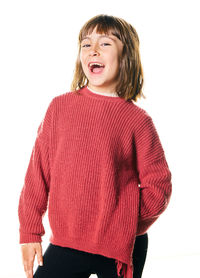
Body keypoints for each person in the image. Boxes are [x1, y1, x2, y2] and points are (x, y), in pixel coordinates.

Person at [18, 14, 172, 278]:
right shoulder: (60, 108)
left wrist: (125, 224)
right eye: (86, 44)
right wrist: (29, 232)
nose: (93, 50)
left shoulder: (138, 120)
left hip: (121, 248)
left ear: (126, 57)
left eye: (105, 44)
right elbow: (37, 175)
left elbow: (159, 185)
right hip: (67, 244)